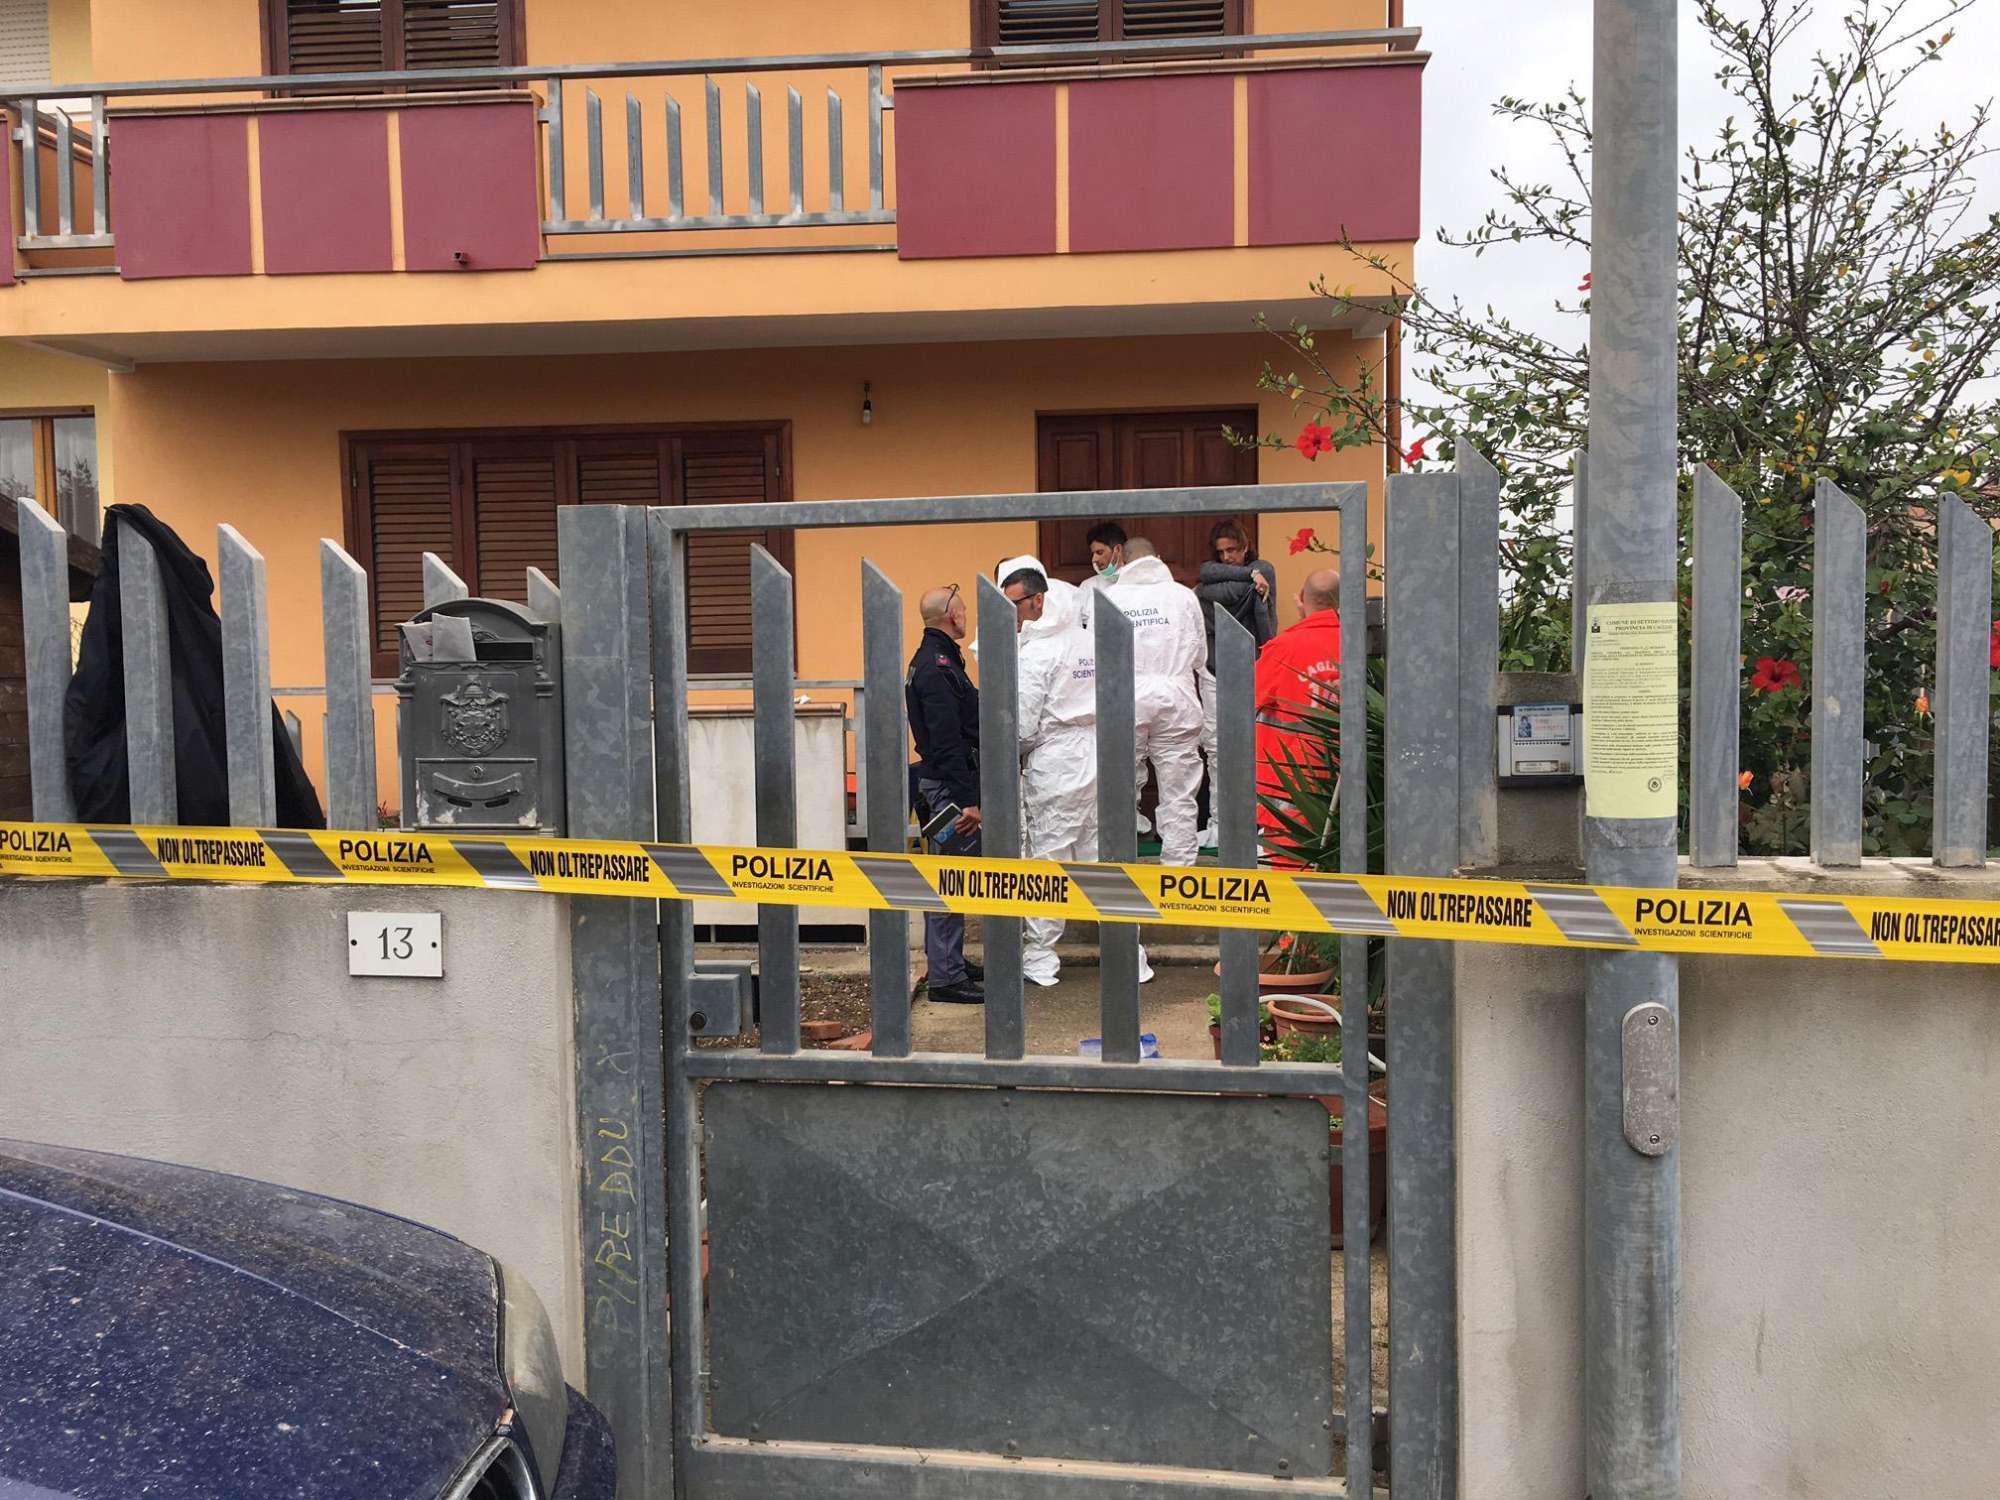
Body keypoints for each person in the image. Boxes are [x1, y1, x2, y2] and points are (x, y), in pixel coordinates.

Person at [997, 557, 1152, 988]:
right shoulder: (1089, 641)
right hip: (1102, 756)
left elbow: (1022, 726)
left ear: (1037, 600)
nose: (1011, 614)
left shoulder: (1037, 653)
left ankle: (1040, 959)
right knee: (1106, 860)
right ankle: (1130, 957)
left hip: (1057, 761)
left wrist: (1015, 754)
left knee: (1048, 862)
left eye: (1014, 604)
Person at [1101, 538, 1209, 866]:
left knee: (1120, 786)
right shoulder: (1183, 596)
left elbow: (1097, 654)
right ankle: (1179, 869)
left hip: (1124, 698)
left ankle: (1119, 868)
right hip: (1177, 696)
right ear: (1158, 558)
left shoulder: (1110, 597)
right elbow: (1200, 655)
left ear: (1122, 560)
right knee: (1180, 790)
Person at [905, 583, 985, 1004]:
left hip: (948, 784)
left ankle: (950, 962)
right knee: (946, 880)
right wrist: (967, 799)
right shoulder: (936, 667)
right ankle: (945, 978)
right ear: (952, 616)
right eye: (964, 610)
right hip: (948, 790)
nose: (967, 615)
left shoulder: (939, 659)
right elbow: (946, 739)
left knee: (954, 877)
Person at [1193, 519, 1277, 846]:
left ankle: (1259, 825)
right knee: (1217, 751)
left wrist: (1250, 580)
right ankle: (1219, 825)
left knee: (1257, 749)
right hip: (1215, 671)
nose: (1228, 557)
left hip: (1254, 670)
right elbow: (1207, 576)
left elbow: (1212, 588)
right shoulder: (1249, 576)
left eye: (1233, 550)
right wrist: (1249, 579)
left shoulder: (1263, 569)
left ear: (1245, 547)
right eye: (1222, 552)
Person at [1254, 567, 1343, 863]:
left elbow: (1244, 705)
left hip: (1291, 786)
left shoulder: (1283, 648)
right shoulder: (1361, 645)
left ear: (1302, 598)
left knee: (1289, 871)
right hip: (1352, 785)